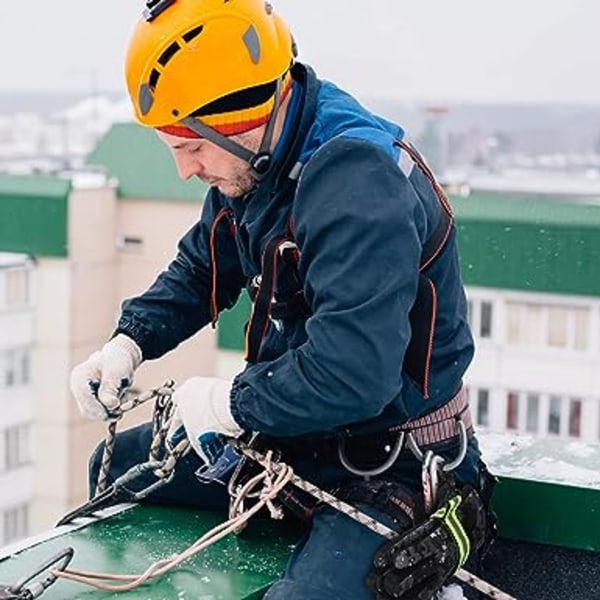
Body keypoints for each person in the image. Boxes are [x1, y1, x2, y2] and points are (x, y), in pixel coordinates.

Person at [70, 0, 496, 598]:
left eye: (190, 149)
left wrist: (231, 405)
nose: (186, 172)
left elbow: (353, 374)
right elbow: (204, 267)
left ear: (239, 120)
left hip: (386, 462)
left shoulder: (356, 183)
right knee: (116, 470)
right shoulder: (258, 164)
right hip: (295, 439)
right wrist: (130, 340)